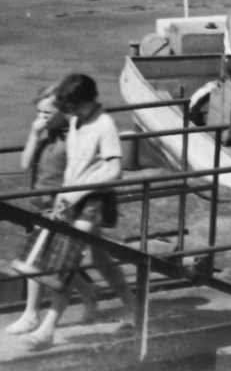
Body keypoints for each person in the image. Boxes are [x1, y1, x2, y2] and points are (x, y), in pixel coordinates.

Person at [15, 73, 139, 348]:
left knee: (68, 256)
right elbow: (73, 163)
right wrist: (64, 194)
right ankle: (133, 306)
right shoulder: (77, 121)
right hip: (71, 197)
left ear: (80, 103)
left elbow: (114, 169)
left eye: (68, 106)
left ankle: (47, 329)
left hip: (93, 198)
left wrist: (77, 192)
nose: (65, 111)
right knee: (98, 256)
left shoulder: (104, 125)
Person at [5, 85, 99, 335]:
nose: (43, 117)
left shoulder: (73, 136)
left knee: (44, 261)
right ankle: (88, 293)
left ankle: (31, 314)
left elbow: (80, 174)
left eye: (48, 112)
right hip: (39, 204)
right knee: (45, 260)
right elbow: (25, 164)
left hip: (61, 209)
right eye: (39, 112)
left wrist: (69, 202)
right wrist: (34, 134)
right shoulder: (43, 134)